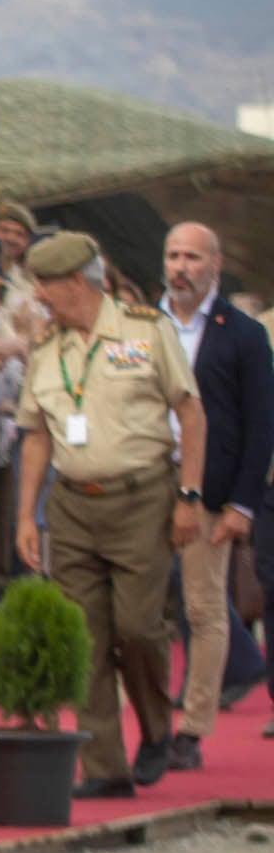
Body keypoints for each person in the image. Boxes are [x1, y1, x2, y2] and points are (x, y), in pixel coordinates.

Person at [12, 229, 204, 798]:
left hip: (143, 497)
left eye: (46, 284)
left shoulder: (147, 331)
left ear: (77, 281)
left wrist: (190, 496)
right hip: (71, 505)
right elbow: (36, 437)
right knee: (85, 637)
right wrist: (27, 516)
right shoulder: (48, 350)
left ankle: (155, 728)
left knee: (139, 629)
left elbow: (190, 414)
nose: (39, 297)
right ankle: (104, 766)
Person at [157, 222, 269, 768]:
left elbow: (260, 425)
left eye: (192, 257)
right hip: (142, 485)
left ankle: (192, 729)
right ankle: (152, 719)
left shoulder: (243, 334)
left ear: (215, 264)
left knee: (204, 609)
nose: (181, 266)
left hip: (211, 492)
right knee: (139, 609)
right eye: (173, 255)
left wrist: (243, 505)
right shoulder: (139, 326)